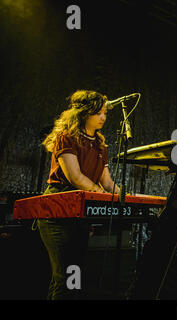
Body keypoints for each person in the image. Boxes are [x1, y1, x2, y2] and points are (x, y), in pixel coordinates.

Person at [39, 90, 119, 299]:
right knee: (64, 275)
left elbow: (107, 182)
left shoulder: (100, 144)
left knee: (75, 274)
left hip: (79, 213)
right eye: (98, 113)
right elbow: (75, 177)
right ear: (85, 113)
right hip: (56, 212)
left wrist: (128, 197)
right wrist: (101, 195)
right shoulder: (67, 137)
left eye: (104, 113)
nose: (103, 117)